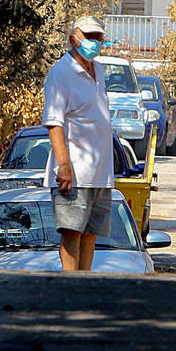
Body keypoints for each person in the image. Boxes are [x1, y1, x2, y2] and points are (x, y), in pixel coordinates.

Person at [42, 15, 114, 271]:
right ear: (74, 38)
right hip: (74, 173)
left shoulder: (100, 71)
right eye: (89, 37)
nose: (94, 42)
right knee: (72, 232)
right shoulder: (61, 73)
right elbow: (54, 122)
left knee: (90, 234)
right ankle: (69, 285)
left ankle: (84, 285)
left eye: (98, 37)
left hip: (100, 174)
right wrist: (64, 165)